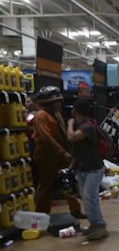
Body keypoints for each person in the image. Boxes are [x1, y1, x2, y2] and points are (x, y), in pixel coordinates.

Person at [31, 86, 84, 217]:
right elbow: (46, 138)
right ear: (48, 103)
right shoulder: (41, 116)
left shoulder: (57, 115)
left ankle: (75, 210)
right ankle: (41, 216)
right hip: (46, 155)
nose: (59, 104)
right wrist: (63, 153)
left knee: (67, 183)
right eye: (56, 102)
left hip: (60, 155)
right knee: (45, 187)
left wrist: (69, 149)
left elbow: (64, 133)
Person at [66, 99, 108, 241]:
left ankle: (100, 227)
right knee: (86, 198)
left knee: (90, 198)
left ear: (75, 111)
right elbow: (79, 150)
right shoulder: (83, 125)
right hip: (83, 168)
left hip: (93, 169)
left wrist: (69, 124)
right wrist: (72, 165)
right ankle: (94, 225)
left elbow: (71, 137)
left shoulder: (87, 127)